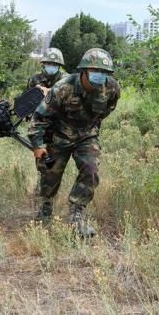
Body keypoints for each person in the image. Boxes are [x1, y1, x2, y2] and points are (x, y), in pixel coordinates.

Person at [28, 48, 120, 237]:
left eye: (104, 73)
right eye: (95, 71)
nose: (100, 76)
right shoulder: (63, 88)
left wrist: (91, 130)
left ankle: (77, 213)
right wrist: (38, 146)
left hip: (86, 135)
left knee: (91, 170)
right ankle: (46, 205)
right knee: (50, 174)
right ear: (84, 71)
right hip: (58, 135)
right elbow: (39, 118)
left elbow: (105, 111)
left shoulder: (112, 88)